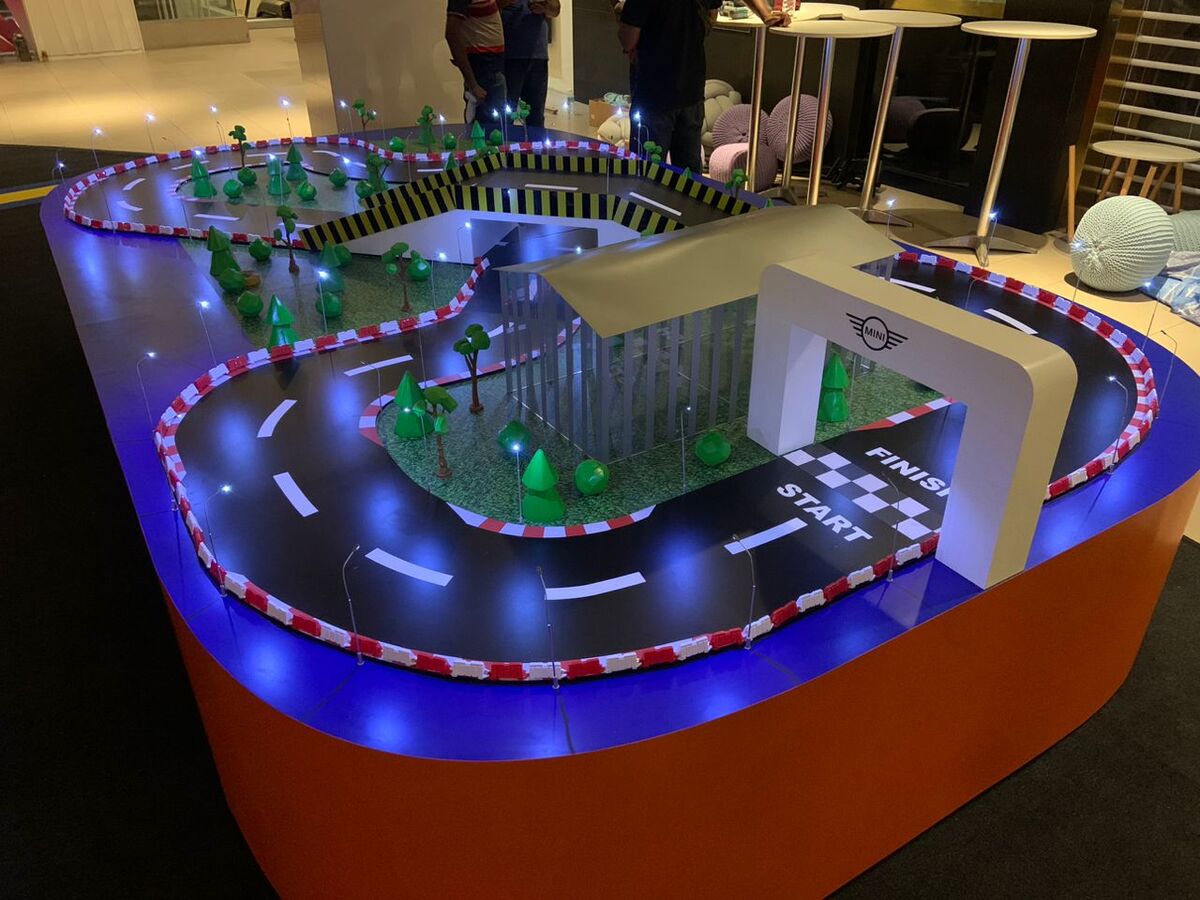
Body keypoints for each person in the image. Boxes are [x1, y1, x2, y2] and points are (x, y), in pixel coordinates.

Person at [617, 0, 787, 173]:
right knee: (689, 175)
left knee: (647, 172)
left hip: (653, 91)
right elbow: (711, 17)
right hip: (691, 88)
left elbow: (628, 39)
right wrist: (766, 15)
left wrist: (625, 19)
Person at [446, 0, 509, 124]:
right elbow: (451, 33)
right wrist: (473, 84)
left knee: (497, 123)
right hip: (482, 66)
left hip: (492, 65)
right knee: (487, 125)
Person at [502, 0, 560, 131]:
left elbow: (555, 10)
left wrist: (545, 7)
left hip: (538, 56)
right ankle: (505, 144)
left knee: (536, 117)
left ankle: (536, 144)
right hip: (510, 56)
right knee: (506, 116)